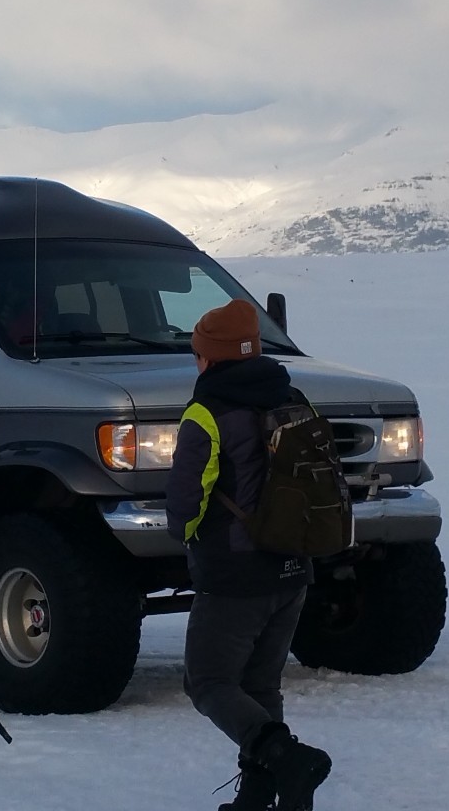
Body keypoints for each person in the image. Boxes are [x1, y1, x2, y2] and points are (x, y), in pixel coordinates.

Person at [165, 299, 333, 811]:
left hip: (235, 574)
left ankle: (287, 760)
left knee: (209, 682)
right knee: (261, 684)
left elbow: (188, 499)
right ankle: (260, 795)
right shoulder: (292, 397)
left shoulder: (207, 413)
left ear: (211, 358)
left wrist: (187, 536)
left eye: (198, 354)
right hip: (292, 566)